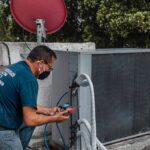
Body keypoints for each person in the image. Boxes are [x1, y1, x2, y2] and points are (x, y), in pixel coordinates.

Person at [0, 45, 70, 150]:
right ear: (40, 63)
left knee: (30, 123)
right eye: (49, 67)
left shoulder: (15, 67)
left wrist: (49, 111)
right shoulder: (29, 79)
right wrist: (54, 118)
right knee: (31, 121)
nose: (49, 71)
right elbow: (30, 119)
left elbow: (27, 104)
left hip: (4, 117)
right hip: (4, 130)